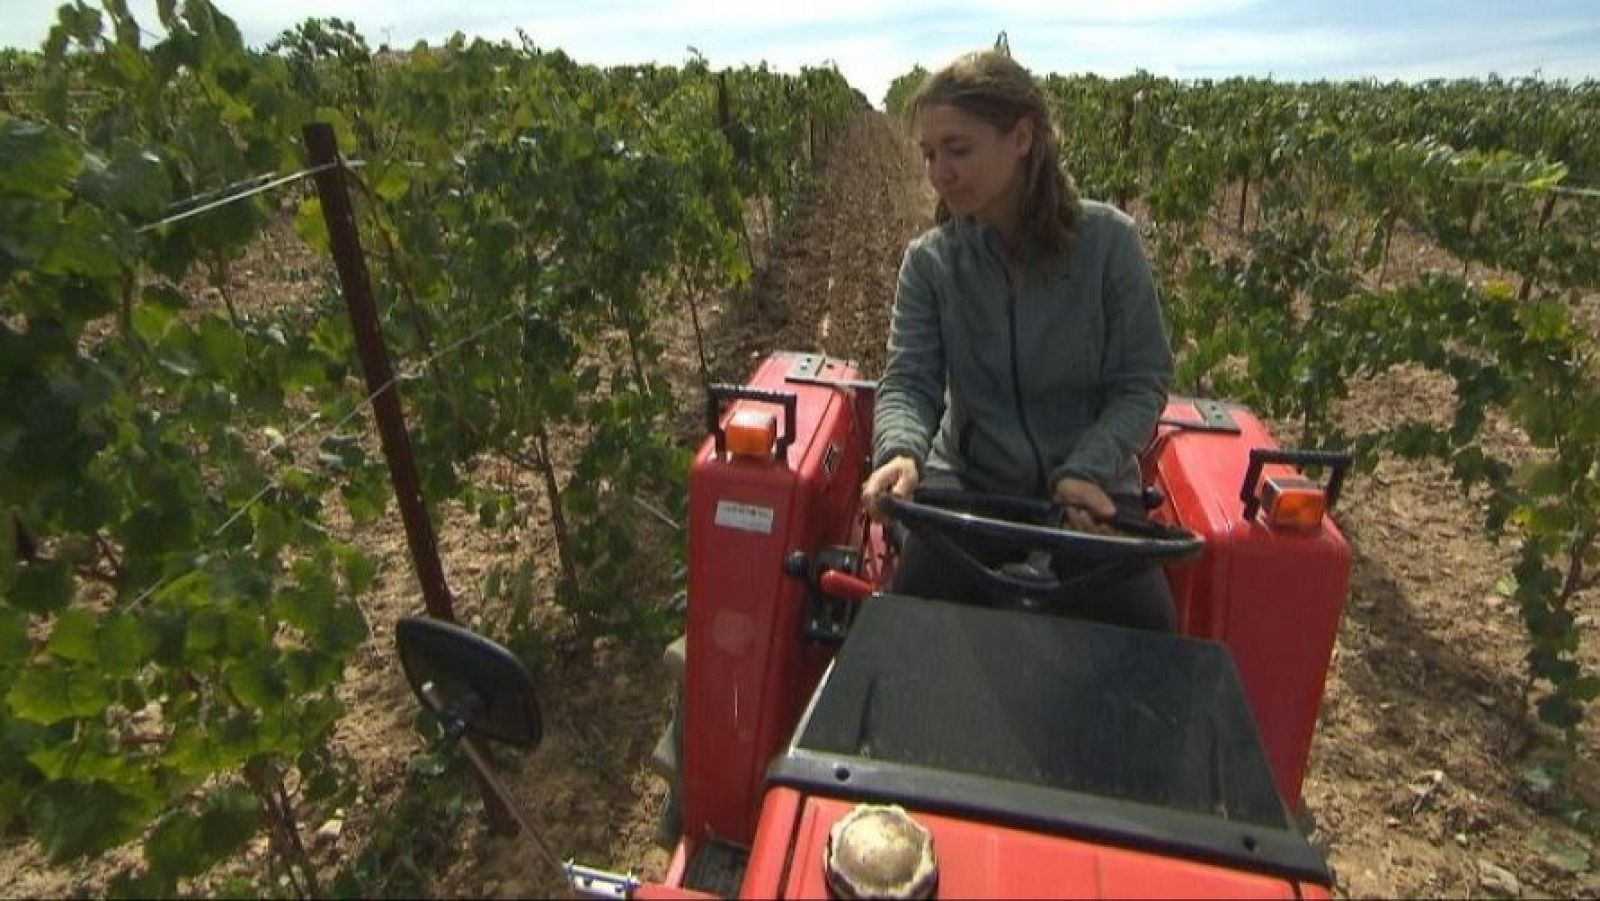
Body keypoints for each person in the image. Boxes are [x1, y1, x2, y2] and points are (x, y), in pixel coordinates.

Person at [861, 50, 1177, 632]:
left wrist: (1086, 468)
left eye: (958, 150)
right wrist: (901, 452)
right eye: (930, 155)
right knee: (914, 616)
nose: (938, 173)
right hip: (972, 484)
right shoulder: (931, 264)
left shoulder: (1109, 243)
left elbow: (1141, 382)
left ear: (1021, 138)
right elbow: (910, 382)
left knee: (1143, 623)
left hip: (1091, 491)